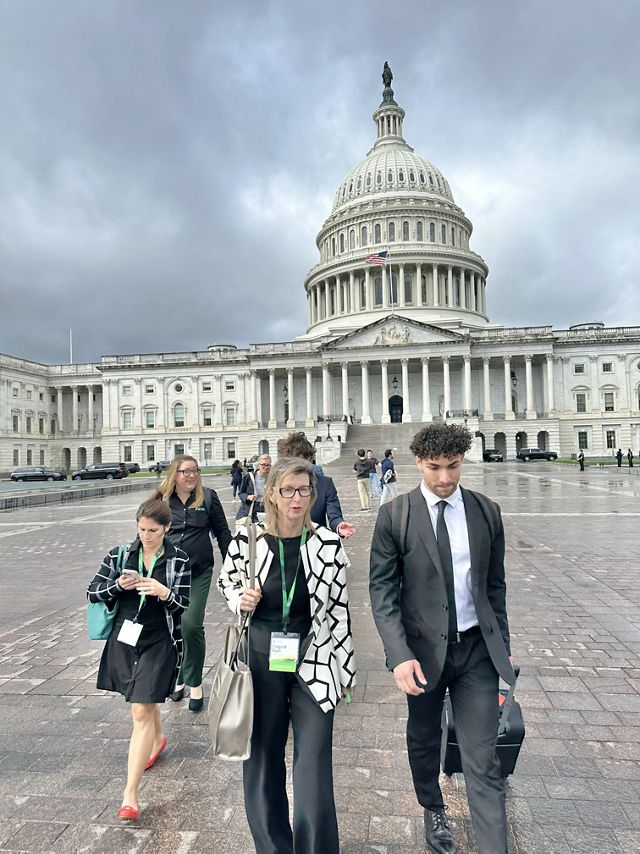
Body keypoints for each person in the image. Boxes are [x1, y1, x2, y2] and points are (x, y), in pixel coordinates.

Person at [369, 423, 516, 854]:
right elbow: (382, 592)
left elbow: (495, 587)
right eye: (435, 467)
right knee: (424, 738)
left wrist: (501, 647)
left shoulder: (486, 511)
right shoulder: (395, 515)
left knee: (484, 760)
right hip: (421, 653)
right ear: (418, 462)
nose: (445, 478)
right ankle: (432, 806)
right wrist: (398, 656)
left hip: (475, 653)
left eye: (453, 466)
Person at [218, 457, 356, 854]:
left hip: (315, 657)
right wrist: (239, 599)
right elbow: (227, 583)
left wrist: (345, 671)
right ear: (272, 495)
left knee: (313, 765)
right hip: (261, 658)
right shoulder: (247, 538)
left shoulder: (328, 544)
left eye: (305, 490)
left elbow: (340, 613)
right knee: (262, 760)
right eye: (288, 491)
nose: (298, 499)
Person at [87, 494, 191, 821]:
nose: (145, 536)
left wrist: (165, 593)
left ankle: (129, 794)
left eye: (152, 531)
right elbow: (92, 592)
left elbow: (182, 605)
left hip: (159, 639)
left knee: (140, 710)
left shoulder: (179, 560)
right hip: (125, 638)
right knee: (145, 703)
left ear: (166, 529)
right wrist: (117, 586)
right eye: (142, 529)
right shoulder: (120, 554)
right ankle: (157, 739)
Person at [158, 456, 231, 711]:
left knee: (190, 624)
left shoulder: (208, 497)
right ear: (174, 474)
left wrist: (233, 565)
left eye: (195, 471)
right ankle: (179, 676)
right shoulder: (161, 500)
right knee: (173, 628)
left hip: (199, 572)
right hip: (169, 575)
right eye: (186, 471)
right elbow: (147, 531)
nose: (192, 476)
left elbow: (222, 532)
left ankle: (195, 682)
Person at [277, 432, 355, 538]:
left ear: (309, 459)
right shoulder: (278, 483)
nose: (298, 465)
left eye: (302, 460)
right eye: (294, 461)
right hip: (284, 540)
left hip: (315, 542)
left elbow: (334, 514)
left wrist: (339, 526)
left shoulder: (325, 484)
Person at [236, 454, 271, 524]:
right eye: (263, 464)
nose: (266, 467)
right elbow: (241, 494)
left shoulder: (272, 478)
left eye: (268, 465)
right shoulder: (249, 476)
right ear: (258, 465)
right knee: (251, 532)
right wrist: (248, 497)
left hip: (266, 509)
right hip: (251, 509)